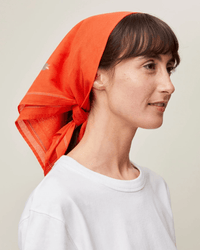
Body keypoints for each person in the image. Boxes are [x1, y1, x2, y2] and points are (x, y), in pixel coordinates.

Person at [16, 11, 180, 250]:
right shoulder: (55, 202)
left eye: (169, 68)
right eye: (149, 65)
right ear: (96, 75)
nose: (169, 85)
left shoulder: (156, 188)